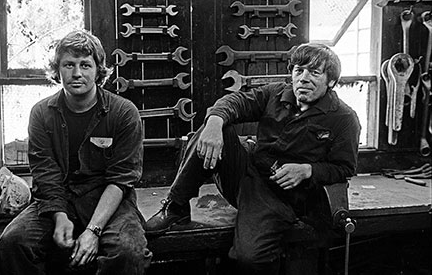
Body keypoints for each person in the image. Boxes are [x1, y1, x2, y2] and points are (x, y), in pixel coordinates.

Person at [145, 43, 361, 274]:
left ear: (331, 81)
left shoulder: (344, 119)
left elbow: (343, 168)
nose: (303, 78)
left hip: (279, 197)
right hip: (245, 172)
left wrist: (308, 170)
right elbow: (234, 102)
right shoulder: (275, 93)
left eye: (314, 73)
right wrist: (215, 122)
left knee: (251, 258)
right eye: (298, 70)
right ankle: (176, 206)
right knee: (212, 130)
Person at [0, 30, 151, 275]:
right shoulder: (41, 113)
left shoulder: (123, 113)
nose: (77, 73)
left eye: (85, 65)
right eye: (69, 64)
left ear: (98, 70)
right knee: (13, 243)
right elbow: (46, 174)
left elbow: (121, 180)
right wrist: (59, 215)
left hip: (108, 200)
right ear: (57, 69)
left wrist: (93, 230)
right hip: (58, 198)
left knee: (128, 251)